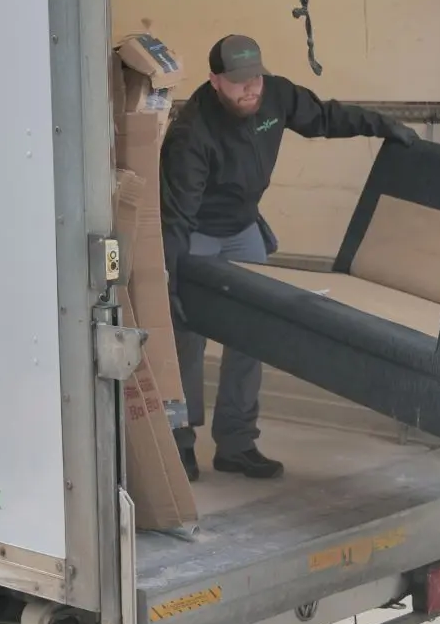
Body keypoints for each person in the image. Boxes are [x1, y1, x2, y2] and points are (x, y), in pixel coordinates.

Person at [159, 34, 419, 482]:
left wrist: (382, 124)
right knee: (187, 337)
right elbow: (176, 217)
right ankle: (179, 441)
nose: (250, 90)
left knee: (253, 331)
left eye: (255, 78)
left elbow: (324, 116)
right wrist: (173, 278)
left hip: (242, 230)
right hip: (197, 234)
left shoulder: (275, 95)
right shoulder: (191, 133)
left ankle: (237, 443)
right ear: (215, 81)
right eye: (239, 82)